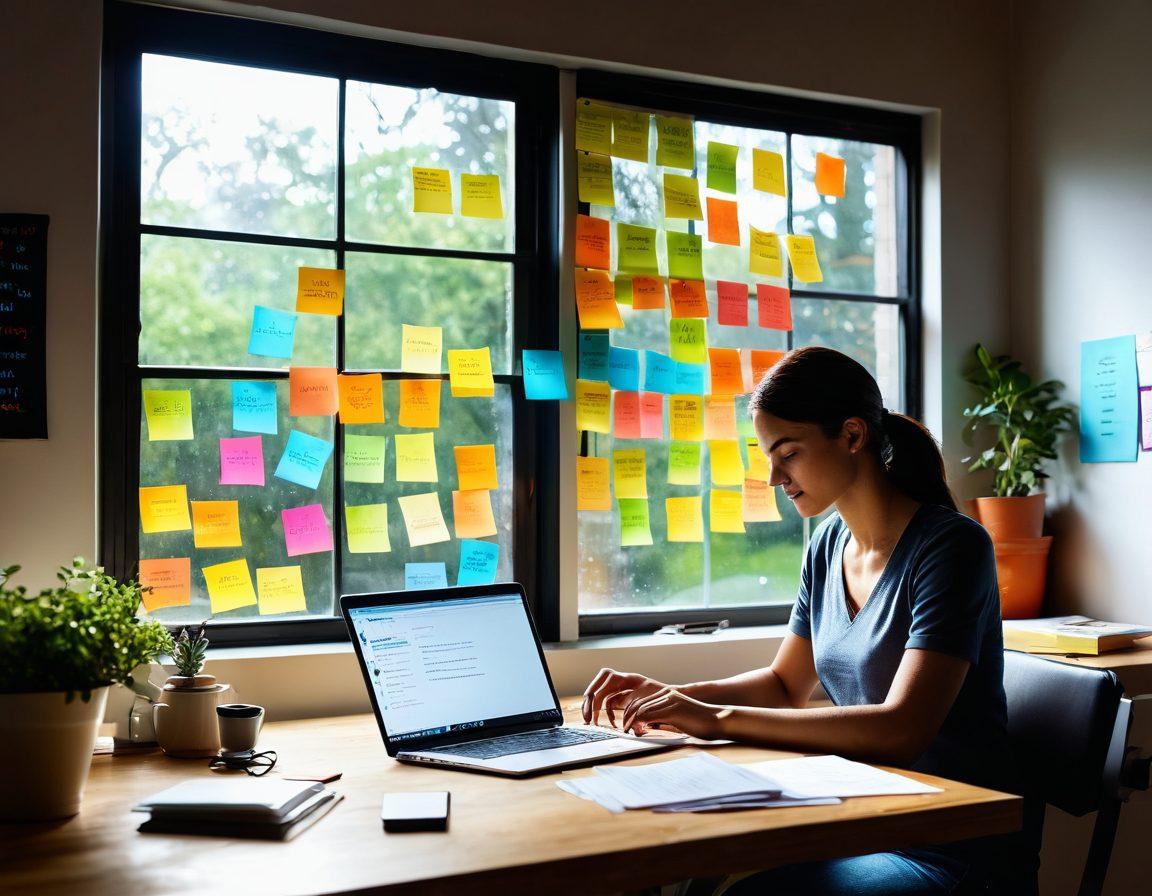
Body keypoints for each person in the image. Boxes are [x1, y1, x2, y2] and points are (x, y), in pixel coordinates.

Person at [582, 347, 1037, 895]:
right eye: (768, 454)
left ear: (851, 436)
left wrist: (716, 717)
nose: (774, 476)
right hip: (867, 823)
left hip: (952, 850)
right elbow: (784, 684)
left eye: (788, 453)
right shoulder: (827, 546)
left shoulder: (952, 546)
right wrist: (670, 699)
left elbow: (901, 729)